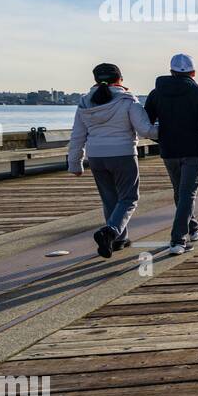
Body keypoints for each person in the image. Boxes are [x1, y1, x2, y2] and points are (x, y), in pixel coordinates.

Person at [67, 62, 156, 258]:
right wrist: (171, 129)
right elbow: (146, 130)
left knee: (110, 200)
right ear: (120, 79)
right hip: (123, 154)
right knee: (129, 198)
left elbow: (77, 135)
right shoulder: (128, 101)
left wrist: (74, 162)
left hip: (96, 156)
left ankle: (117, 241)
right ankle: (111, 232)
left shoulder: (84, 103)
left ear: (95, 80)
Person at [145, 53, 198, 255]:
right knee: (186, 194)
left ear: (171, 71)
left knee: (180, 193)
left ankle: (193, 226)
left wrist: (160, 139)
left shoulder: (156, 93)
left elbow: (146, 123)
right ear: (193, 73)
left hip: (169, 151)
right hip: (194, 151)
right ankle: (178, 240)